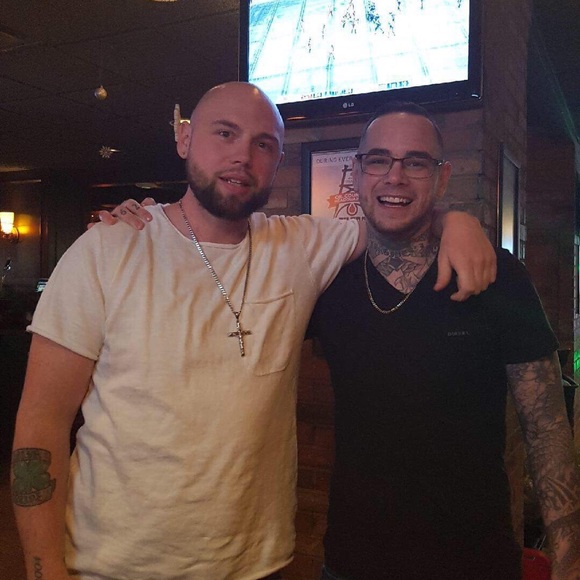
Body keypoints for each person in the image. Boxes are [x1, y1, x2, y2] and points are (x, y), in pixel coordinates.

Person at [11, 82, 495, 580]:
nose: (242, 156)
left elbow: (395, 213)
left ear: (278, 159)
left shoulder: (301, 245)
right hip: (113, 565)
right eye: (225, 133)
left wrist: (456, 220)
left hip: (257, 564)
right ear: (184, 139)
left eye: (263, 144)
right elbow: (41, 423)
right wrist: (43, 570)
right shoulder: (107, 249)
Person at [307, 102, 580, 579]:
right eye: (378, 160)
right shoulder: (325, 277)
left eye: (415, 162)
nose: (395, 177)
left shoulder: (500, 277)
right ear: (358, 173)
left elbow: (547, 429)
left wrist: (569, 558)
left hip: (475, 564)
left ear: (441, 178)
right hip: (352, 562)